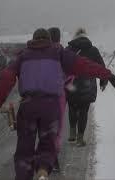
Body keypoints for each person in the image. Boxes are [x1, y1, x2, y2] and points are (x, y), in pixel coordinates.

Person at [0, 28, 115, 180]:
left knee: (24, 149)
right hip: (50, 107)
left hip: (28, 105)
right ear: (49, 40)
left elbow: (7, 76)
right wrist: (108, 75)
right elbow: (85, 65)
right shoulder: (59, 53)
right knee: (48, 145)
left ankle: (23, 176)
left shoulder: (23, 55)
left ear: (33, 40)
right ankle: (42, 172)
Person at [65, 28, 108, 146]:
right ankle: (80, 139)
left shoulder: (68, 50)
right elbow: (101, 67)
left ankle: (72, 134)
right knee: (84, 110)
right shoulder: (93, 50)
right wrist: (103, 82)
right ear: (86, 37)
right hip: (87, 85)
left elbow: (62, 67)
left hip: (71, 85)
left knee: (72, 107)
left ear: (75, 37)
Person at [47, 27, 64, 172]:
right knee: (57, 128)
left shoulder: (41, 53)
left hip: (42, 94)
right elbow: (71, 72)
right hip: (59, 95)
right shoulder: (63, 53)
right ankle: (54, 158)